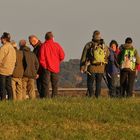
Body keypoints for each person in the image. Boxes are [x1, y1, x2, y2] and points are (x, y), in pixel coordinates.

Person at [80, 30, 109, 98]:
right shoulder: (104, 46)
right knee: (98, 83)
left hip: (91, 67)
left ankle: (91, 95)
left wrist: (82, 66)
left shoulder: (89, 45)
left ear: (93, 36)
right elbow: (107, 55)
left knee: (90, 82)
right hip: (101, 67)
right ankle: (98, 96)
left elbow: (84, 56)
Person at [39, 32, 65, 98]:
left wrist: (44, 66)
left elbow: (41, 58)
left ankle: (46, 97)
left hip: (46, 68)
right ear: (52, 38)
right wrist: (57, 62)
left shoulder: (43, 46)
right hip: (55, 67)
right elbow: (62, 56)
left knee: (46, 84)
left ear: (45, 38)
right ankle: (55, 97)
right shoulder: (57, 45)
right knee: (55, 84)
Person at [0, 32, 16, 100]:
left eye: (1, 39)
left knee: (2, 86)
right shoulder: (12, 48)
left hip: (2, 70)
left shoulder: (3, 48)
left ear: (4, 39)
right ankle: (10, 99)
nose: (1, 40)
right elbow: (14, 59)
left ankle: (3, 99)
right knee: (9, 86)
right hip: (10, 70)